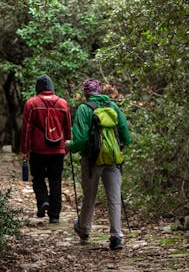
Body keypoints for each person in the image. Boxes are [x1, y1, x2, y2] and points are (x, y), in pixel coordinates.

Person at [67, 78, 131, 250]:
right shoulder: (113, 107)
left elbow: (80, 140)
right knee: (114, 198)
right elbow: (125, 133)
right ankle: (116, 236)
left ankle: (84, 229)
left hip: (92, 159)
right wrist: (118, 148)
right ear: (100, 91)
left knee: (89, 196)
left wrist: (70, 146)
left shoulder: (84, 109)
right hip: (113, 159)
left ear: (86, 94)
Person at [21, 74, 71, 223]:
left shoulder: (31, 103)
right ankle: (55, 215)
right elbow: (68, 127)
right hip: (58, 150)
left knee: (38, 178)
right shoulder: (63, 103)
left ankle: (43, 201)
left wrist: (25, 150)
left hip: (37, 150)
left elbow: (26, 129)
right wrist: (67, 145)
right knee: (56, 180)